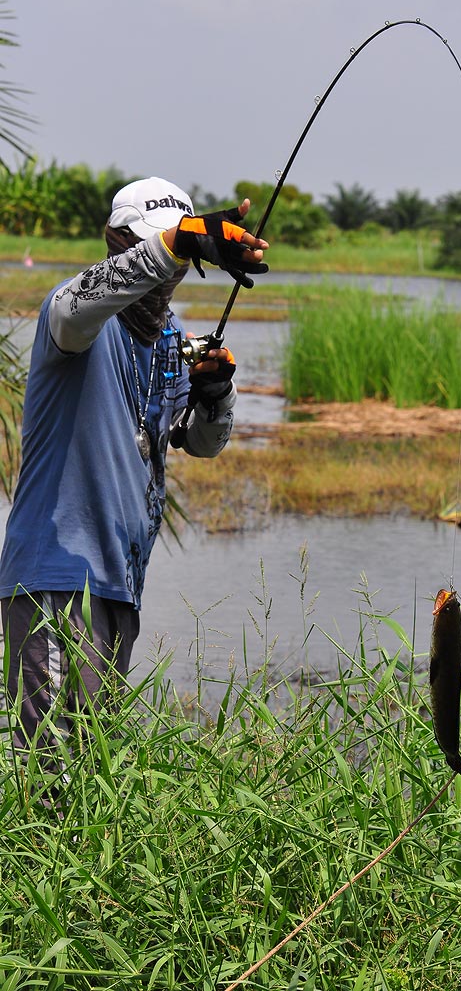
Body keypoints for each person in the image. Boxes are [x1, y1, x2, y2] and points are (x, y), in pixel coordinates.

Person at [0, 176, 269, 753]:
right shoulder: (72, 316)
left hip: (120, 585)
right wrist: (178, 240)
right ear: (114, 242)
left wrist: (217, 392)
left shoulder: (170, 341)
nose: (168, 269)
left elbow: (197, 443)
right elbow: (80, 304)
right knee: (52, 771)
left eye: (181, 256)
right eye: (155, 248)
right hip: (56, 578)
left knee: (95, 774)